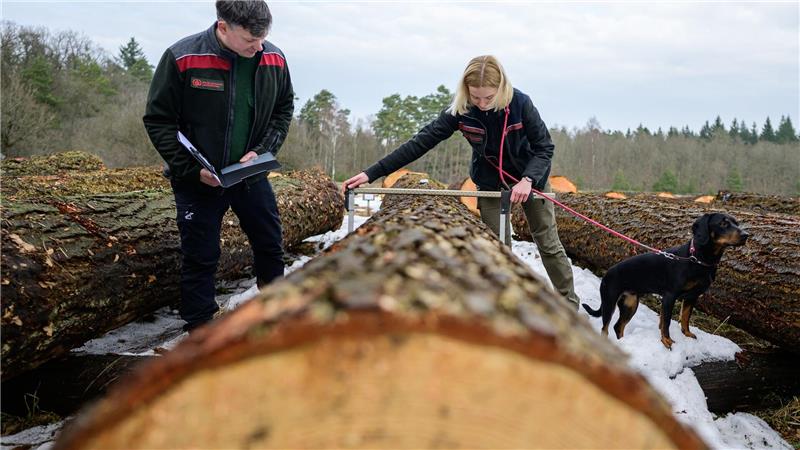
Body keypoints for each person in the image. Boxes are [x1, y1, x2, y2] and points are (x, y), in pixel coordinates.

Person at [344, 55, 579, 307]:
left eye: (488, 98)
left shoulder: (522, 104)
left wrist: (528, 179)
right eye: (475, 97)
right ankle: (507, 305)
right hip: (490, 182)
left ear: (501, 88)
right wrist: (372, 172)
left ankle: (569, 303)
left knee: (548, 242)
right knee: (497, 248)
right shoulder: (461, 109)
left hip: (531, 178)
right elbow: (421, 142)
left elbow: (544, 147)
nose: (482, 103)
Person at [144, 0, 294, 331]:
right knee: (201, 256)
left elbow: (284, 110)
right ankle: (199, 332)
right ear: (222, 27)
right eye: (249, 41)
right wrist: (190, 168)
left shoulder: (274, 58)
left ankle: (276, 319)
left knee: (270, 245)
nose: (257, 48)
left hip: (249, 175)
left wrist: (262, 150)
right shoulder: (183, 57)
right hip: (198, 179)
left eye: (262, 39)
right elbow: (159, 121)